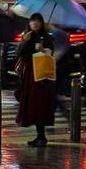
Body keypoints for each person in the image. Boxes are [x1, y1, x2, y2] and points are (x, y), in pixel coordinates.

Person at [15, 13, 56, 147]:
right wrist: (24, 41)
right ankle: (39, 136)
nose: (35, 23)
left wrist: (43, 49)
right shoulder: (27, 36)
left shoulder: (47, 37)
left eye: (38, 20)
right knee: (32, 105)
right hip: (29, 75)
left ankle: (41, 136)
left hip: (41, 76)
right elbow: (19, 54)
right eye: (33, 21)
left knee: (40, 105)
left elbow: (51, 54)